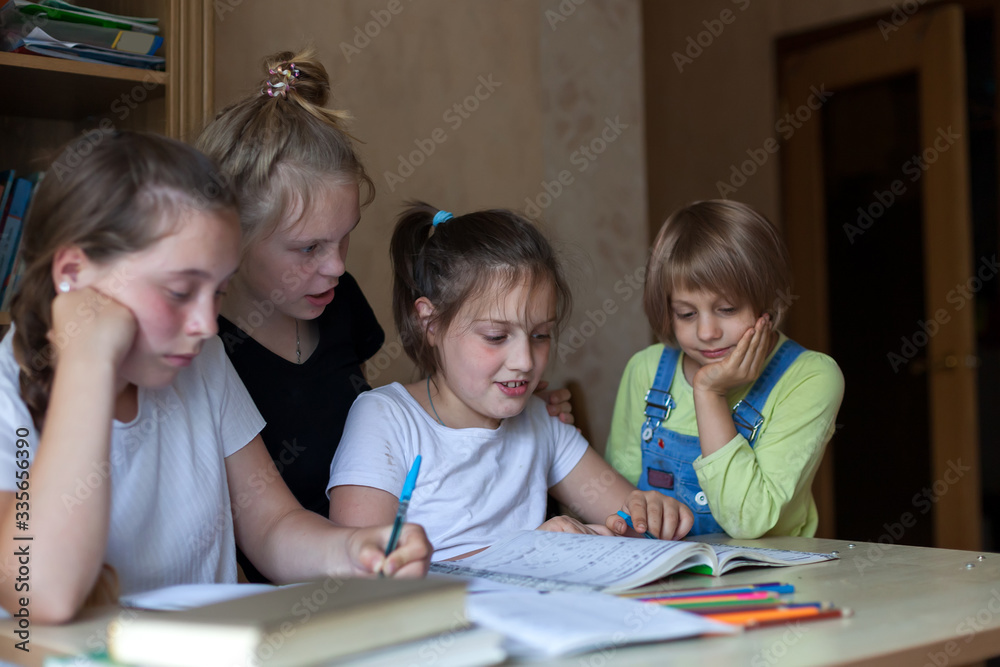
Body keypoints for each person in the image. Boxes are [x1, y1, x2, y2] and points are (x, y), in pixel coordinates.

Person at [0, 131, 429, 624]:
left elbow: (272, 524)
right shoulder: (7, 396)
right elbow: (44, 595)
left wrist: (353, 551)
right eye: (181, 291)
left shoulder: (200, 359)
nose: (206, 325)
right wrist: (89, 360)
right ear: (74, 273)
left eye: (219, 291)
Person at [195, 49, 573, 577]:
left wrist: (508, 402)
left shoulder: (337, 299)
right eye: (308, 249)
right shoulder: (200, 342)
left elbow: (385, 422)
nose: (335, 267)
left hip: (353, 559)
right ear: (233, 236)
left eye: (345, 238)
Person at [328, 203, 694, 560]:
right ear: (431, 323)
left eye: (540, 336)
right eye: (495, 336)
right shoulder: (385, 420)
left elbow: (628, 518)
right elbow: (359, 570)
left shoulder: (540, 420)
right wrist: (528, 549)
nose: (524, 362)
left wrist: (651, 513)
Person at [604, 200, 844, 538]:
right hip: (663, 578)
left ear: (769, 300)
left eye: (727, 309)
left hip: (766, 581)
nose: (706, 333)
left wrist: (710, 393)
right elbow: (619, 499)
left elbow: (747, 521)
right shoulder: (646, 369)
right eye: (686, 314)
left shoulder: (811, 378)